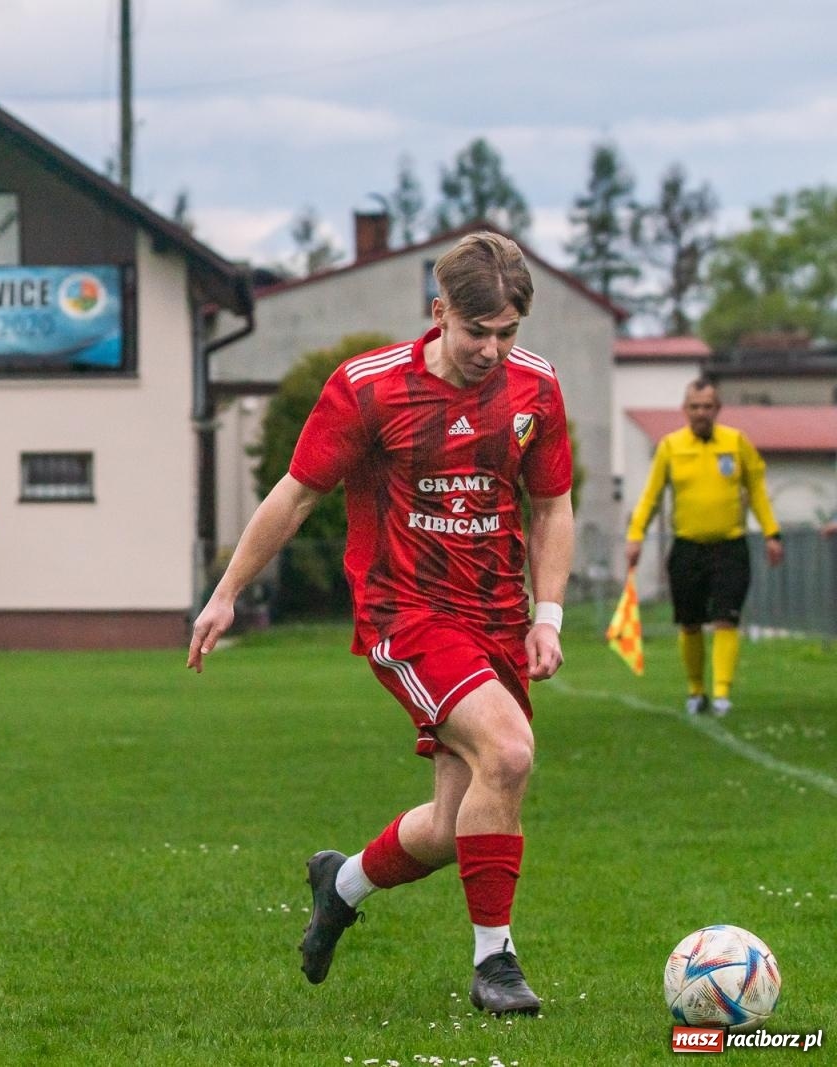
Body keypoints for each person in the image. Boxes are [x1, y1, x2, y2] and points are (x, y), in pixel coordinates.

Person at [188, 233, 574, 1017]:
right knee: (509, 750)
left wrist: (549, 615)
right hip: (409, 612)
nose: (493, 351)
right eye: (478, 333)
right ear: (440, 313)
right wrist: (227, 591)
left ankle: (344, 882)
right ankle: (494, 962)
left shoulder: (536, 388)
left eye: (508, 333)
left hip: (498, 617)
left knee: (450, 822)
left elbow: (551, 505)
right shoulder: (368, 388)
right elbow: (295, 495)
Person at [625, 379, 781, 717]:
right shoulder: (670, 447)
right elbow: (652, 496)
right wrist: (636, 534)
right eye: (695, 406)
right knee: (691, 622)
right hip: (688, 548)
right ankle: (696, 690)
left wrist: (772, 533)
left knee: (726, 619)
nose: (701, 412)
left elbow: (756, 490)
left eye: (707, 406)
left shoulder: (736, 444)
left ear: (717, 409)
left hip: (730, 546)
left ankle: (722, 693)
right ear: (685, 410)